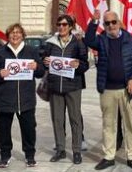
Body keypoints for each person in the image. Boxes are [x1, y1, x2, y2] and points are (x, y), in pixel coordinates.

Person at [84, 10, 132, 171]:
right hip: (107, 90)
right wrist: (94, 21)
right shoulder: (101, 40)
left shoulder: (131, 40)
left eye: (113, 22)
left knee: (130, 124)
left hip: (128, 90)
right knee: (108, 125)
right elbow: (88, 40)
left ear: (119, 23)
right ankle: (109, 156)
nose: (111, 25)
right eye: (107, 23)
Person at [0, 23, 45, 168]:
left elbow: (41, 72)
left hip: (26, 99)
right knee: (4, 130)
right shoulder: (0, 53)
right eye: (12, 32)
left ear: (23, 35)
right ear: (8, 36)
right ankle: (5, 155)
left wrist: (37, 67)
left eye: (18, 32)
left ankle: (30, 155)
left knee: (29, 129)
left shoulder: (31, 51)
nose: (15, 35)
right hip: (4, 99)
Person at [42, 14, 89, 165]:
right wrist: (45, 61)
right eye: (59, 24)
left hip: (73, 86)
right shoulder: (50, 43)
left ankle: (76, 151)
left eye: (64, 25)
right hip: (55, 86)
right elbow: (42, 60)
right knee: (57, 119)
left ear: (70, 27)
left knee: (75, 119)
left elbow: (85, 64)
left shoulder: (78, 43)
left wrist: (78, 65)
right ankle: (60, 149)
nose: (61, 27)